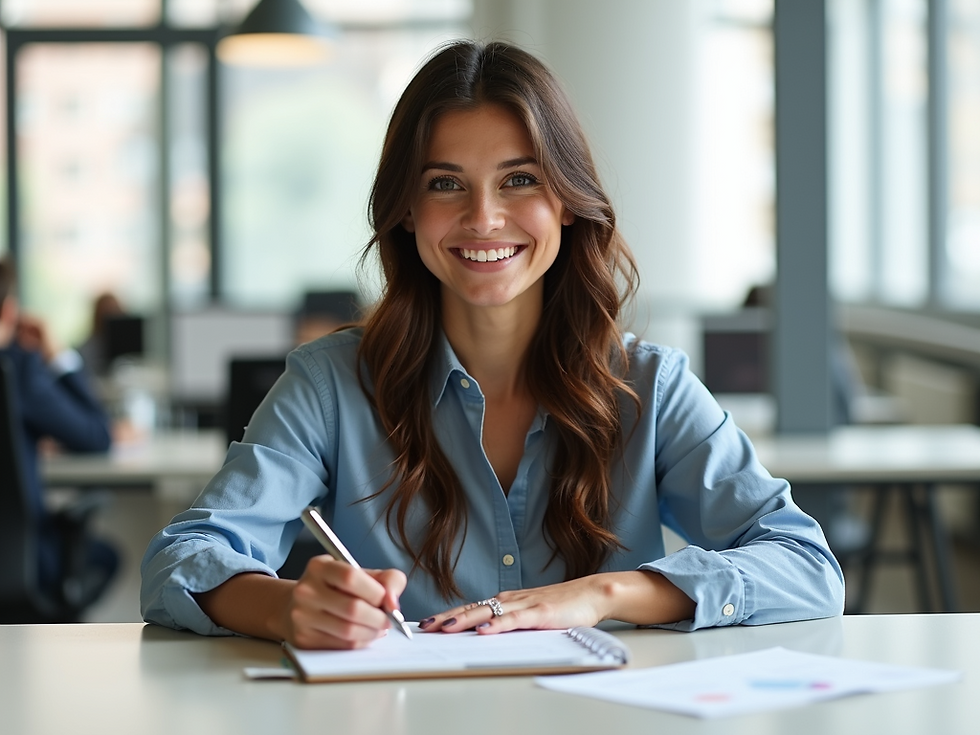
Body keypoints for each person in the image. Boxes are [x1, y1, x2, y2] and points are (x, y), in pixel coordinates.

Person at [141, 40, 844, 649]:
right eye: (446, 184)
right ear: (407, 212)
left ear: (566, 201)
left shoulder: (649, 384)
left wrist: (605, 594)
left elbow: (805, 565)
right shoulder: (331, 382)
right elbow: (180, 559)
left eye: (520, 180)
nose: (483, 218)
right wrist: (289, 605)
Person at [0, 257, 118, 606]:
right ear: (10, 312)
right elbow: (98, 436)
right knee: (107, 556)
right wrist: (58, 355)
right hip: (18, 560)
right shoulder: (19, 371)